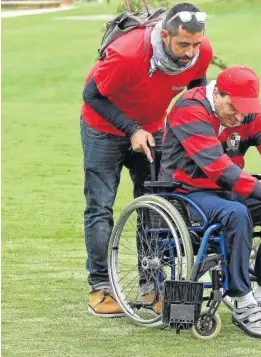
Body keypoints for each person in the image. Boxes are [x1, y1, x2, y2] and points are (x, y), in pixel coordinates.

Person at [80, 2, 213, 317]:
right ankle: (102, 286)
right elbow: (91, 95)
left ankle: (151, 286)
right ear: (164, 35)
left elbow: (197, 91)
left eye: (196, 44)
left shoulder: (200, 51)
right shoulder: (127, 53)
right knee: (100, 206)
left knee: (154, 207)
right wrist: (131, 129)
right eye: (183, 44)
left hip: (154, 128)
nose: (190, 52)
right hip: (104, 129)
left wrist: (189, 132)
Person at [159, 65, 261, 339]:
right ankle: (242, 299)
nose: (240, 117)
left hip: (229, 191)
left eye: (246, 110)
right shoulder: (190, 108)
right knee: (236, 214)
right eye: (233, 108)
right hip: (187, 192)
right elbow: (219, 169)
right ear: (217, 93)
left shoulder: (251, 113)